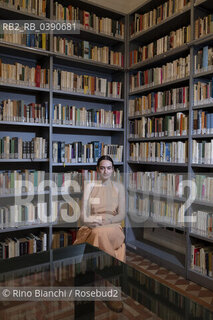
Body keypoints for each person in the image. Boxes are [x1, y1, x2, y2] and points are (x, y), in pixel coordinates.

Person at [74, 155, 126, 262]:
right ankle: (109, 265)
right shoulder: (90, 187)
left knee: (99, 234)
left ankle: (102, 266)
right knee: (97, 232)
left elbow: (121, 215)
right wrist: (89, 222)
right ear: (97, 170)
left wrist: (109, 220)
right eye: (102, 168)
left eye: (108, 168)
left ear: (113, 170)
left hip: (113, 224)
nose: (105, 171)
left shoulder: (119, 187)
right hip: (93, 223)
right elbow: (83, 214)